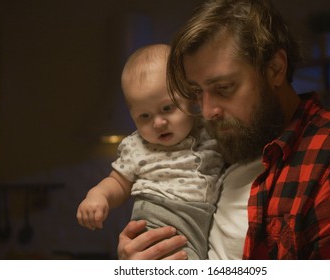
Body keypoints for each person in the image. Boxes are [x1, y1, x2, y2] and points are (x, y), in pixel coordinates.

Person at [116, 0, 330, 260]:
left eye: (224, 88)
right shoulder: (228, 141)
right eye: (197, 93)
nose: (208, 110)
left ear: (275, 68)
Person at [76, 44, 224, 260]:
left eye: (167, 108)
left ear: (191, 97)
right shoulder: (137, 146)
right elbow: (118, 182)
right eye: (144, 116)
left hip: (198, 224)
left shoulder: (210, 131)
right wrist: (98, 195)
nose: (158, 123)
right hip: (155, 221)